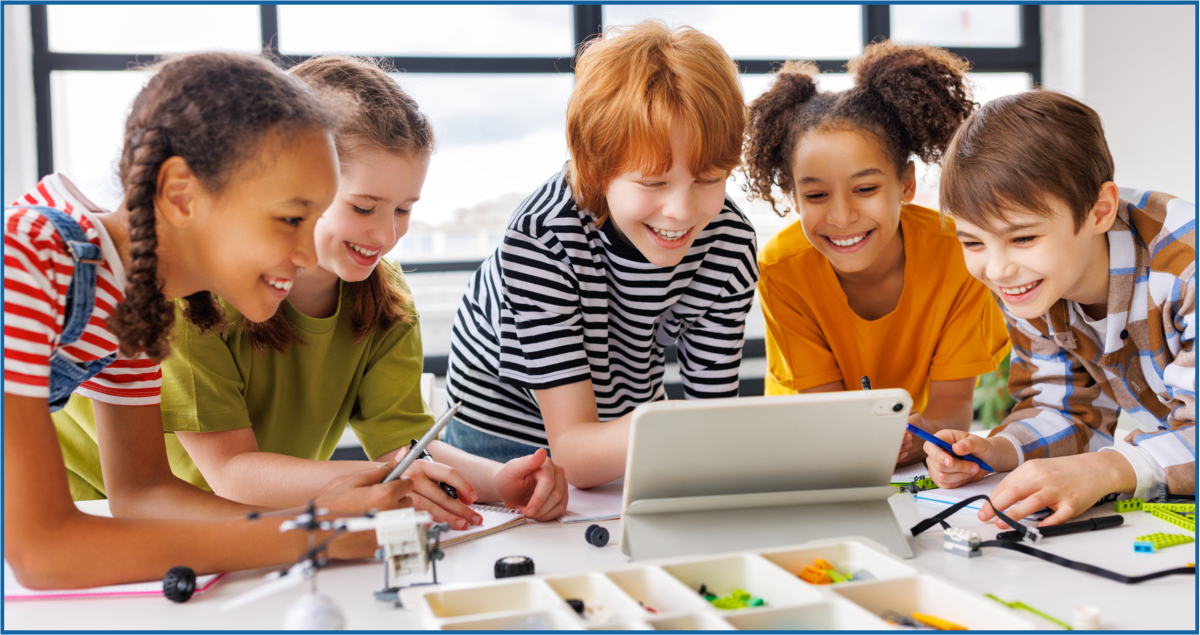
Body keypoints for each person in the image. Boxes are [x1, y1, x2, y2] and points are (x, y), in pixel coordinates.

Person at [51, 56, 568, 527]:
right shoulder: (181, 292)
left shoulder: (383, 297)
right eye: (362, 208)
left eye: (404, 209)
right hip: (96, 505)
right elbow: (213, 477)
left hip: (225, 520)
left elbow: (402, 450)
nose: (387, 235)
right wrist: (360, 493)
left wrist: (494, 484)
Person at [4, 52, 411, 589]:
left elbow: (143, 495)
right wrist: (309, 536)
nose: (307, 255)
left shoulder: (132, 303)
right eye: (290, 218)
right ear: (181, 195)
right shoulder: (28, 259)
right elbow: (42, 553)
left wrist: (313, 523)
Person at [444, 21, 759, 488]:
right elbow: (574, 454)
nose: (681, 211)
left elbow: (710, 416)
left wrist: (705, 432)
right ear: (595, 167)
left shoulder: (729, 242)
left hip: (624, 427)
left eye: (708, 178)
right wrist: (693, 428)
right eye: (653, 183)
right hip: (501, 440)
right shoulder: (542, 237)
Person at [926, 90, 1195, 526]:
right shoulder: (1031, 279)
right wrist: (999, 451)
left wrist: (1107, 469)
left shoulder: (1188, 270)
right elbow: (1065, 406)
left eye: (1023, 238)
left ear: (1099, 211)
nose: (996, 269)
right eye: (973, 242)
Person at [743, 41, 1011, 466]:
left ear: (905, 184)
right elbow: (827, 416)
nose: (842, 216)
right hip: (800, 454)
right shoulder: (782, 267)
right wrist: (885, 439)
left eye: (865, 189)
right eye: (815, 194)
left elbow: (953, 402)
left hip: (898, 455)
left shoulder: (957, 254)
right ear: (794, 197)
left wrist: (917, 435)